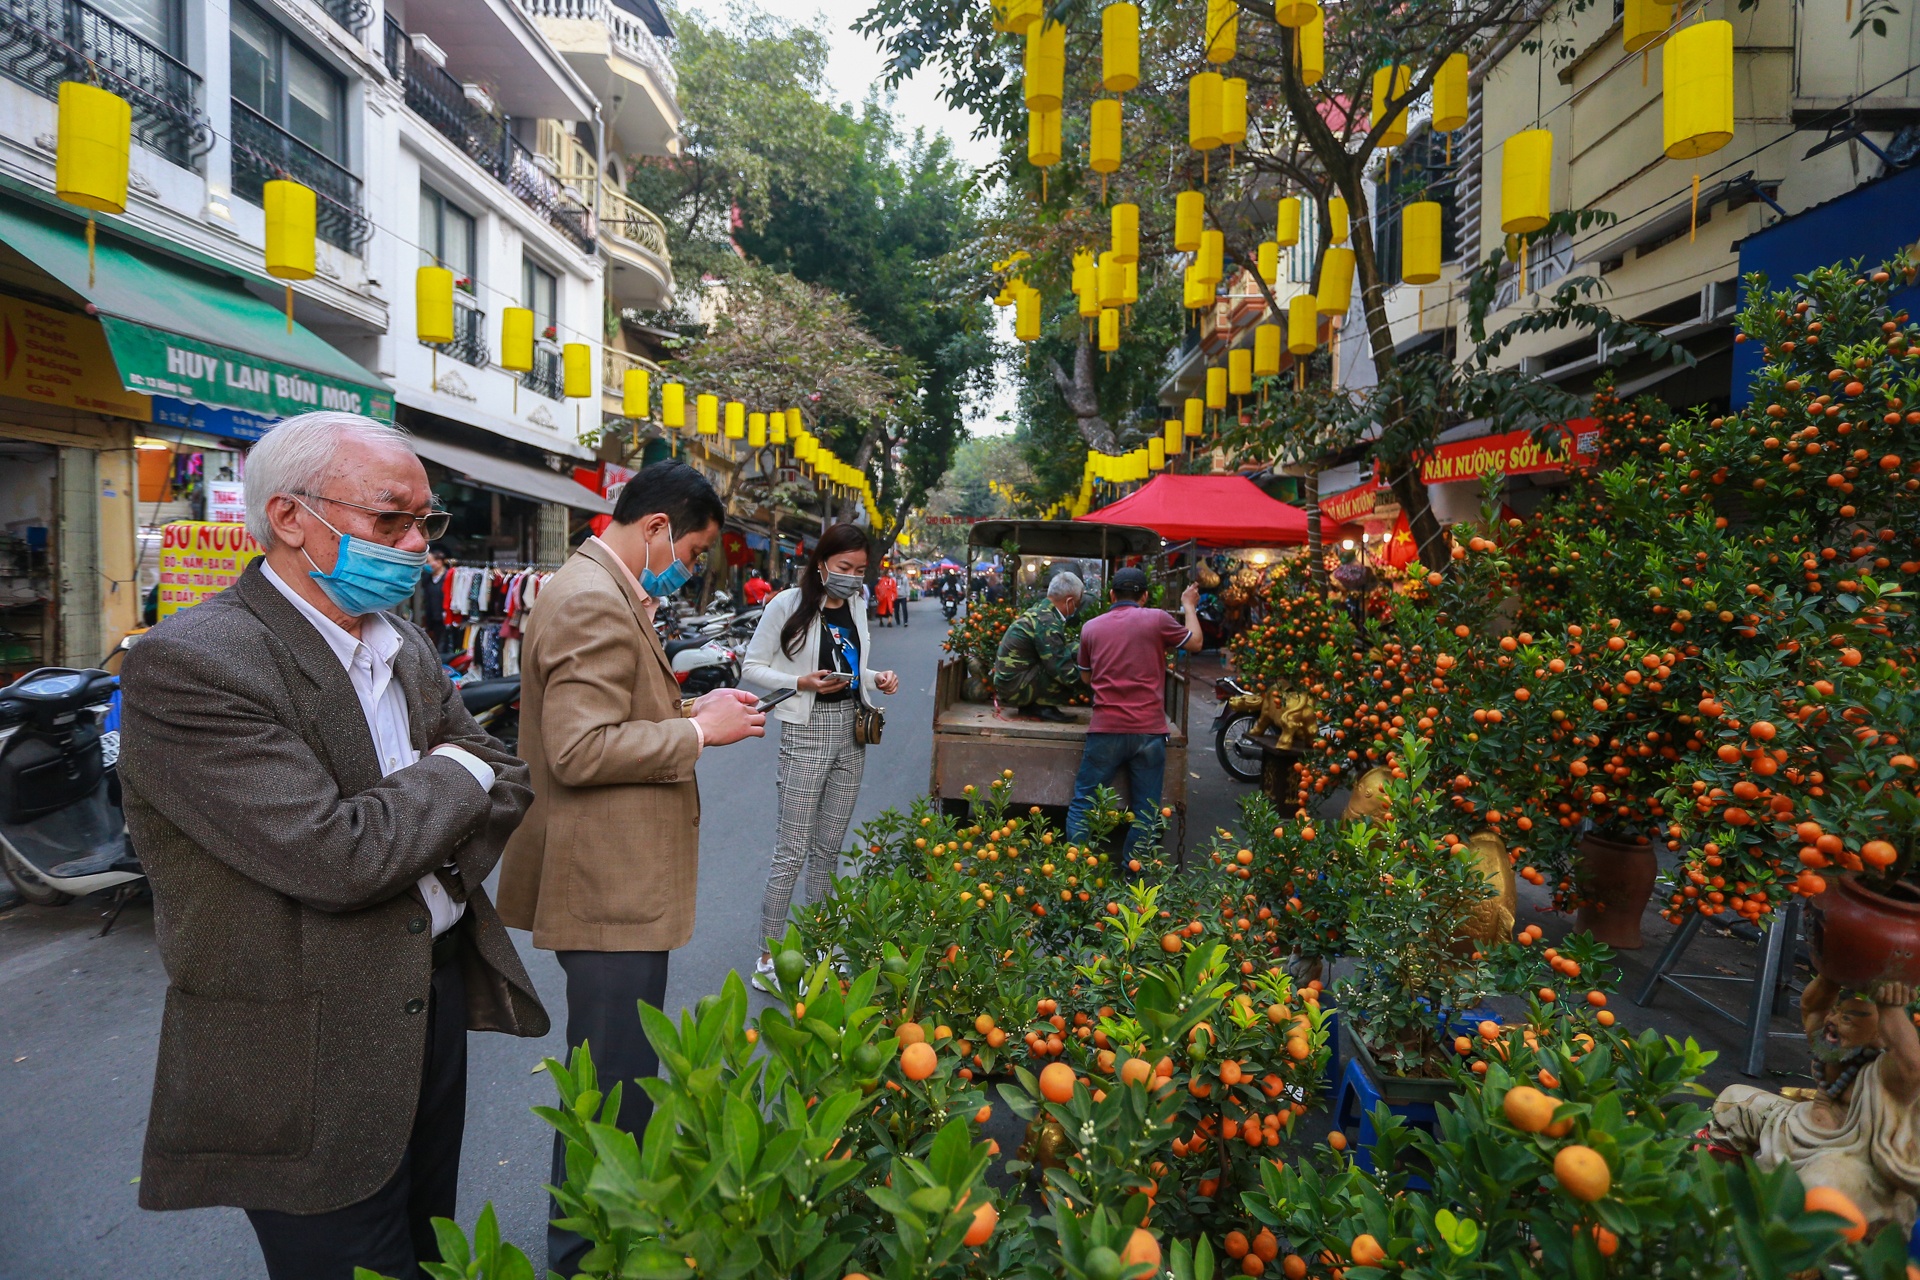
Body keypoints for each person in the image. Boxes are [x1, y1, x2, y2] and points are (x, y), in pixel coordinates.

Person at [117, 412, 545, 1280]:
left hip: (427, 1000)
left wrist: (427, 805)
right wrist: (446, 782)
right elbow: (337, 856)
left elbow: (507, 773)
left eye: (427, 522)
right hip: (302, 1048)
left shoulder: (403, 643)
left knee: (432, 1253)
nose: (418, 545)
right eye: (392, 520)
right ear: (288, 517)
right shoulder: (193, 661)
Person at [494, 460, 766, 1275]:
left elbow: (612, 714)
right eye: (691, 548)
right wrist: (695, 735)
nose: (690, 565)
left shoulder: (604, 589)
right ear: (654, 529)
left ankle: (600, 1235)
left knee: (615, 1074)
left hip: (615, 875)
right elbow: (579, 750)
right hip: (606, 880)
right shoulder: (589, 599)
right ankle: (585, 1252)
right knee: (610, 1084)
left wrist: (694, 710)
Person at [741, 523, 899, 989]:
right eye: (844, 568)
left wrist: (876, 678)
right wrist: (801, 681)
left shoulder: (856, 604)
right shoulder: (786, 604)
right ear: (822, 563)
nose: (853, 577)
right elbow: (752, 666)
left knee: (829, 851)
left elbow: (850, 666)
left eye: (861, 569)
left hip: (852, 732)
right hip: (806, 732)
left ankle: (821, 950)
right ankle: (768, 957)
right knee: (791, 852)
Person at [1710, 976, 1920, 1237]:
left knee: (1818, 1189)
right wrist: (1830, 972)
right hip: (1796, 1124)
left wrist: (1891, 1007)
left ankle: (1803, 1261)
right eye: (1836, 1012)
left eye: (1847, 1020)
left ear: (1877, 1038)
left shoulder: (1885, 1074)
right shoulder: (1829, 1048)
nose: (1832, 1021)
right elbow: (1811, 1007)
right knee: (1734, 1102)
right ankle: (1714, 1201)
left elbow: (1912, 1067)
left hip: (1847, 1156)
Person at [1066, 567, 1201, 856]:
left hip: (1106, 729)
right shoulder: (1158, 620)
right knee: (1147, 809)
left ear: (1112, 595)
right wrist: (1189, 605)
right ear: (1145, 596)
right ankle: (1132, 874)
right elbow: (1196, 642)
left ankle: (1073, 871)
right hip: (1148, 732)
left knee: (1083, 803)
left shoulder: (1091, 627)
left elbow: (1086, 677)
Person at [993, 571, 1085, 722]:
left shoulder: (1041, 612)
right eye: (1077, 604)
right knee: (1065, 663)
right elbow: (1059, 668)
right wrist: (1091, 684)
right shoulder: (1047, 621)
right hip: (1015, 688)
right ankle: (1042, 707)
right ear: (1069, 601)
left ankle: (1036, 706)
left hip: (1012, 684)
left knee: (1073, 649)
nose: (1076, 609)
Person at [416, 545, 449, 653]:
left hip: (446, 619)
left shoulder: (449, 578)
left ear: (439, 562)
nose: (427, 565)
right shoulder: (427, 579)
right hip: (432, 620)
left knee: (444, 646)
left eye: (428, 561)